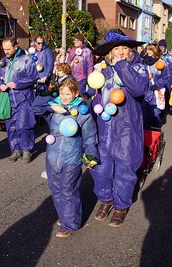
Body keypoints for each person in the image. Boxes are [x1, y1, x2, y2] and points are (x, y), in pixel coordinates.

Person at [90, 29, 148, 227]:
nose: (122, 52)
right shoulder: (102, 70)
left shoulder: (138, 68)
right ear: (110, 51)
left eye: (125, 48)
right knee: (101, 169)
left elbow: (138, 89)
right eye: (117, 49)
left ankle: (121, 205)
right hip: (104, 128)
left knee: (125, 169)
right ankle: (106, 200)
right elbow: (93, 94)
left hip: (126, 130)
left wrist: (122, 66)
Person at [33, 77, 98, 237]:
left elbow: (90, 137)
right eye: (61, 93)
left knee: (68, 190)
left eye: (68, 94)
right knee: (55, 188)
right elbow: (35, 107)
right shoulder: (54, 107)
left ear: (76, 93)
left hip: (72, 158)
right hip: (52, 157)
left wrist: (90, 157)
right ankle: (64, 216)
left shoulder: (82, 113)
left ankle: (70, 224)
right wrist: (51, 102)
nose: (64, 97)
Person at [0, 37, 38, 164]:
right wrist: (0, 85)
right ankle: (15, 150)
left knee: (24, 125)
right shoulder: (3, 62)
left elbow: (33, 78)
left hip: (23, 98)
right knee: (11, 127)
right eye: (4, 49)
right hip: (9, 99)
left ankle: (26, 150)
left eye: (8, 49)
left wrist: (18, 83)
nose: (6, 52)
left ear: (16, 47)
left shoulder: (26, 60)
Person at [142, 43, 169, 129]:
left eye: (150, 50)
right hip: (144, 91)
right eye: (147, 49)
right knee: (144, 114)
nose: (148, 51)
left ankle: (155, 136)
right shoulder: (143, 61)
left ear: (155, 51)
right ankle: (146, 136)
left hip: (155, 92)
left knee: (154, 113)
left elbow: (166, 77)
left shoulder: (161, 63)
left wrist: (156, 85)